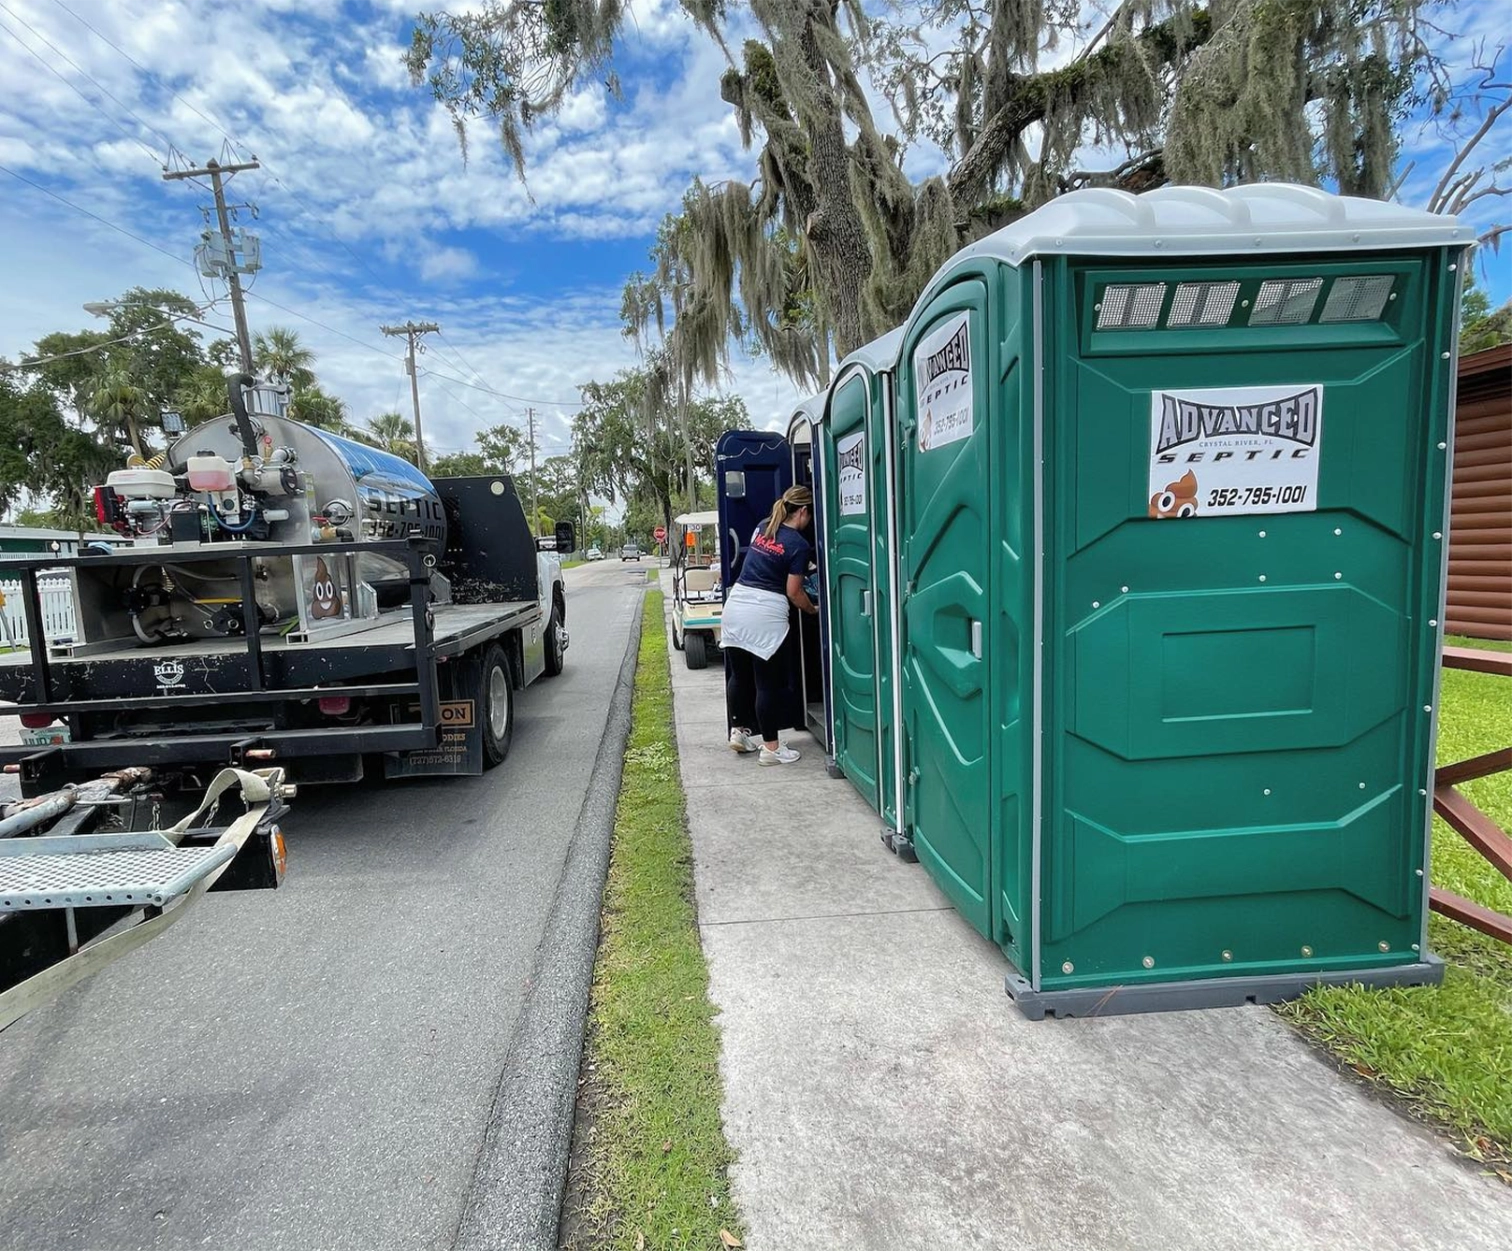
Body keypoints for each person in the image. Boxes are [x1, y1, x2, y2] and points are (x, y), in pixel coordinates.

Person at [721, 485, 819, 765]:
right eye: (809, 515)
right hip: (764, 614)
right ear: (802, 511)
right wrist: (812, 610)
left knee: (739, 677)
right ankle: (772, 749)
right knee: (767, 684)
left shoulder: (763, 527)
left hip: (736, 606)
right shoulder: (798, 545)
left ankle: (739, 732)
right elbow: (794, 592)